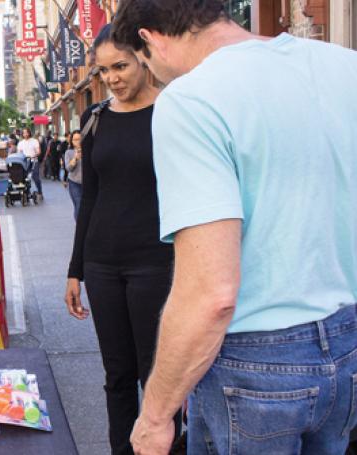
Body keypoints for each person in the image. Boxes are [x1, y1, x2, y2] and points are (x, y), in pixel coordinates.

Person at [111, 2, 357, 454]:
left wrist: (156, 415)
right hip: (347, 340)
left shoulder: (192, 100)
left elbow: (211, 294)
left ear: (151, 39)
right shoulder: (344, 66)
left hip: (253, 361)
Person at [63, 24, 179, 455]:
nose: (111, 78)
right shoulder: (94, 118)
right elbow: (90, 197)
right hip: (102, 265)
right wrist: (75, 270)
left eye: (121, 66)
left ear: (143, 59)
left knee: (158, 378)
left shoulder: (174, 112)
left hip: (157, 263)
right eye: (103, 70)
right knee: (117, 377)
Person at [17, 127, 43, 199]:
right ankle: (26, 192)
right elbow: (19, 153)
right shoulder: (20, 143)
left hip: (34, 161)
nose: (25, 134)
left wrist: (35, 154)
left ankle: (40, 192)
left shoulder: (34, 141)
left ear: (29, 133)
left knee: (35, 177)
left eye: (27, 132)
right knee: (24, 177)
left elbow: (39, 151)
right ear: (22, 134)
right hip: (25, 162)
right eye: (24, 133)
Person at [63, 130, 83, 219]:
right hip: (74, 183)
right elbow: (68, 168)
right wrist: (75, 158)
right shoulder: (69, 152)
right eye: (75, 140)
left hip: (88, 183)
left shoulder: (89, 150)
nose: (78, 141)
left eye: (79, 139)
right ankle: (79, 225)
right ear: (71, 141)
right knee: (79, 204)